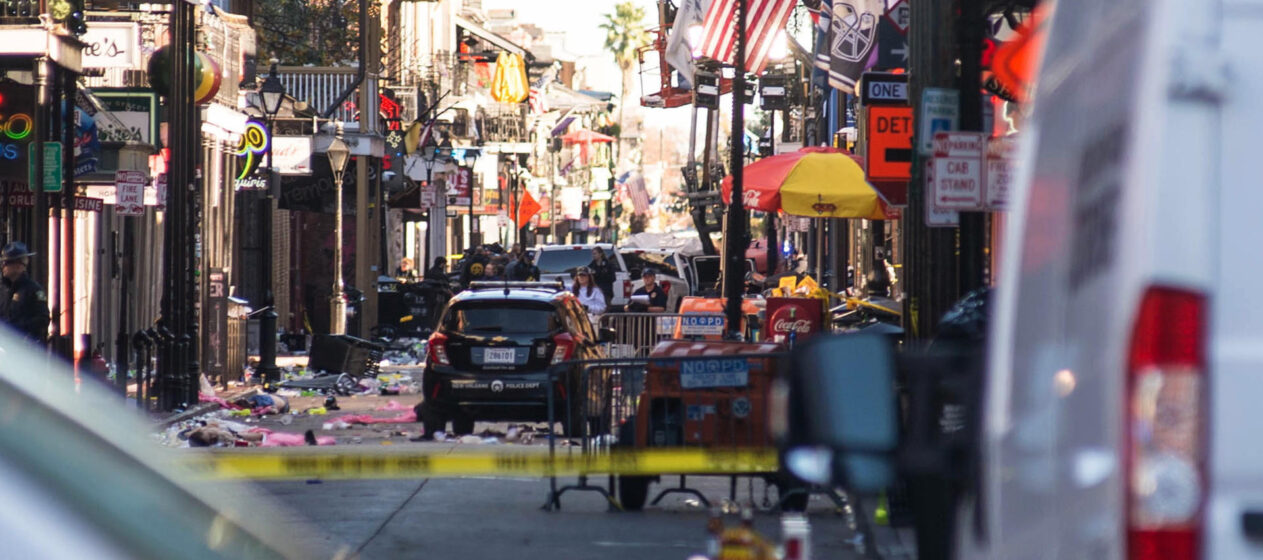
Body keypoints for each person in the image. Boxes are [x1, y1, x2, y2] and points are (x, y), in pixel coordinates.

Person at [0, 242, 49, 343]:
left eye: (6, 263)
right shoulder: (2, 290)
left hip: (24, 348)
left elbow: (43, 319)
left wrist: (17, 328)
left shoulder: (33, 290)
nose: (2, 267)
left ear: (18, 265)